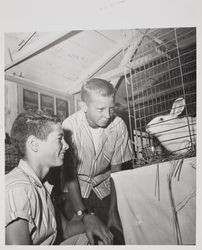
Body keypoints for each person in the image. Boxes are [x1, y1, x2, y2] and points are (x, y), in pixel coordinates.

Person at [5, 111, 112, 245]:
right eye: (59, 139)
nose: (66, 146)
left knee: (94, 239)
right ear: (34, 143)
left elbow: (66, 230)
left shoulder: (41, 186)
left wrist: (88, 218)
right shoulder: (18, 188)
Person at [61, 78, 134, 244]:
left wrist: (113, 211)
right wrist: (82, 213)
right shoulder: (69, 126)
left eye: (111, 108)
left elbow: (117, 173)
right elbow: (69, 176)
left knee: (113, 235)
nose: (107, 115)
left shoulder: (118, 126)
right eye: (100, 109)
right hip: (75, 189)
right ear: (84, 106)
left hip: (105, 188)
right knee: (77, 238)